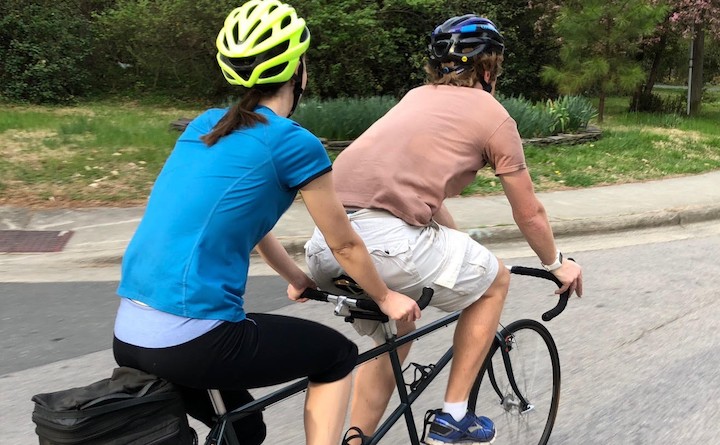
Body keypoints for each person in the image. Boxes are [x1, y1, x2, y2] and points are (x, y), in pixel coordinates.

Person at [111, 1, 420, 444]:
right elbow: (345, 244)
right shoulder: (294, 143)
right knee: (336, 355)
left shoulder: (205, 125)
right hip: (193, 337)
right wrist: (386, 296)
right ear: (298, 69)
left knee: (244, 430)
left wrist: (296, 277)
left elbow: (246, 219)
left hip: (130, 336)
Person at [305, 13, 584, 445]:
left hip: (326, 247)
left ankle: (358, 440)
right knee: (494, 280)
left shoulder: (414, 98)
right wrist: (556, 263)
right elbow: (529, 214)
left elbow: (422, 209)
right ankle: (453, 418)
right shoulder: (493, 115)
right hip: (388, 247)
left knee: (395, 334)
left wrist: (463, 247)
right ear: (489, 68)